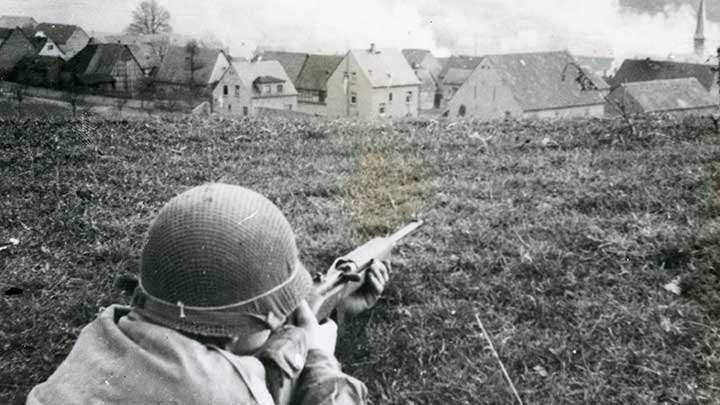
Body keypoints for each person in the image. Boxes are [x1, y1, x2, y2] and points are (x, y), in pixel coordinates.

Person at [27, 183, 390, 405]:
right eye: (279, 316)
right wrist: (318, 361)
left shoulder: (102, 335)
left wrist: (330, 310)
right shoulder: (221, 393)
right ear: (231, 335)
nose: (286, 320)